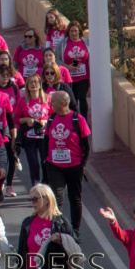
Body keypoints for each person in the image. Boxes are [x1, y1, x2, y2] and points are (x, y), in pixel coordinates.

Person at [17, 184, 74, 269]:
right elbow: (21, 252)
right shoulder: (28, 223)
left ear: (47, 199)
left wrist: (61, 241)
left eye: (35, 199)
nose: (33, 203)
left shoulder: (61, 222)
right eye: (31, 199)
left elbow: (74, 247)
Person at [43, 90, 91, 239]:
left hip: (74, 166)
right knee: (56, 198)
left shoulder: (78, 119)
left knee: (74, 197)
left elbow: (86, 145)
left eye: (53, 102)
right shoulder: (51, 119)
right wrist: (46, 159)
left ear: (63, 104)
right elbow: (45, 141)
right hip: (55, 166)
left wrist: (83, 165)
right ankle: (58, 228)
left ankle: (75, 229)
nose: (50, 104)